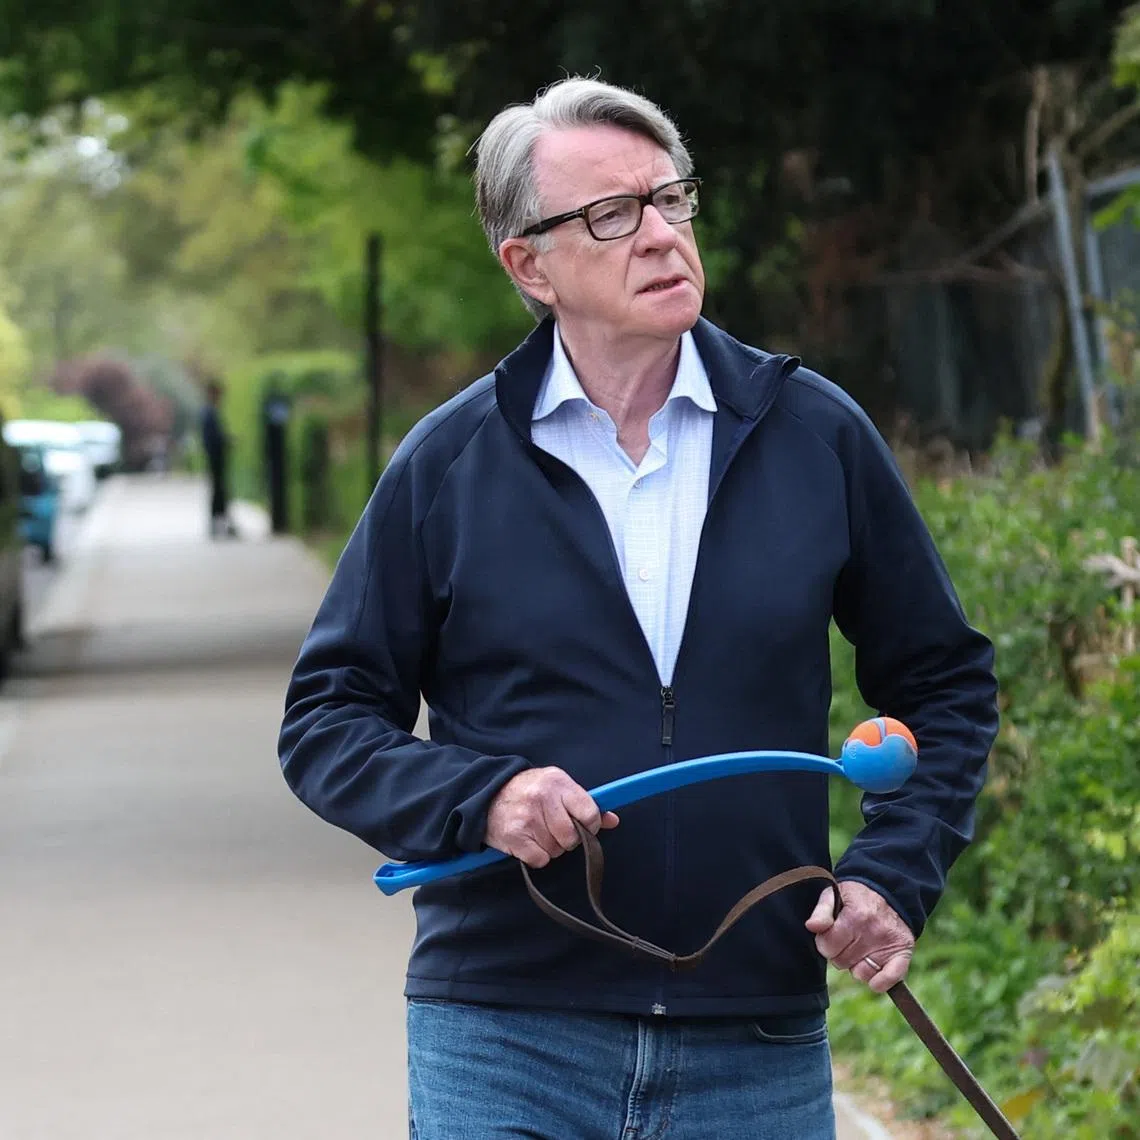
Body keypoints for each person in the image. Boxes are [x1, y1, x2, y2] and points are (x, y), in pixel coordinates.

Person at [278, 77, 999, 1139]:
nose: (662, 235)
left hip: (754, 1039)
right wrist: (484, 797)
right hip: (505, 1036)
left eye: (672, 199)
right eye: (612, 215)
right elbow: (327, 720)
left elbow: (941, 680)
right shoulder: (449, 463)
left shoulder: (815, 435)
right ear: (530, 265)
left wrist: (892, 873)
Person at [199, 379, 237, 538]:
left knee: (219, 491)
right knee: (219, 491)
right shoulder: (209, 413)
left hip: (216, 457)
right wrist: (226, 441)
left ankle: (221, 524)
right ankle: (221, 524)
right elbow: (212, 437)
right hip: (215, 458)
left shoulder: (210, 412)